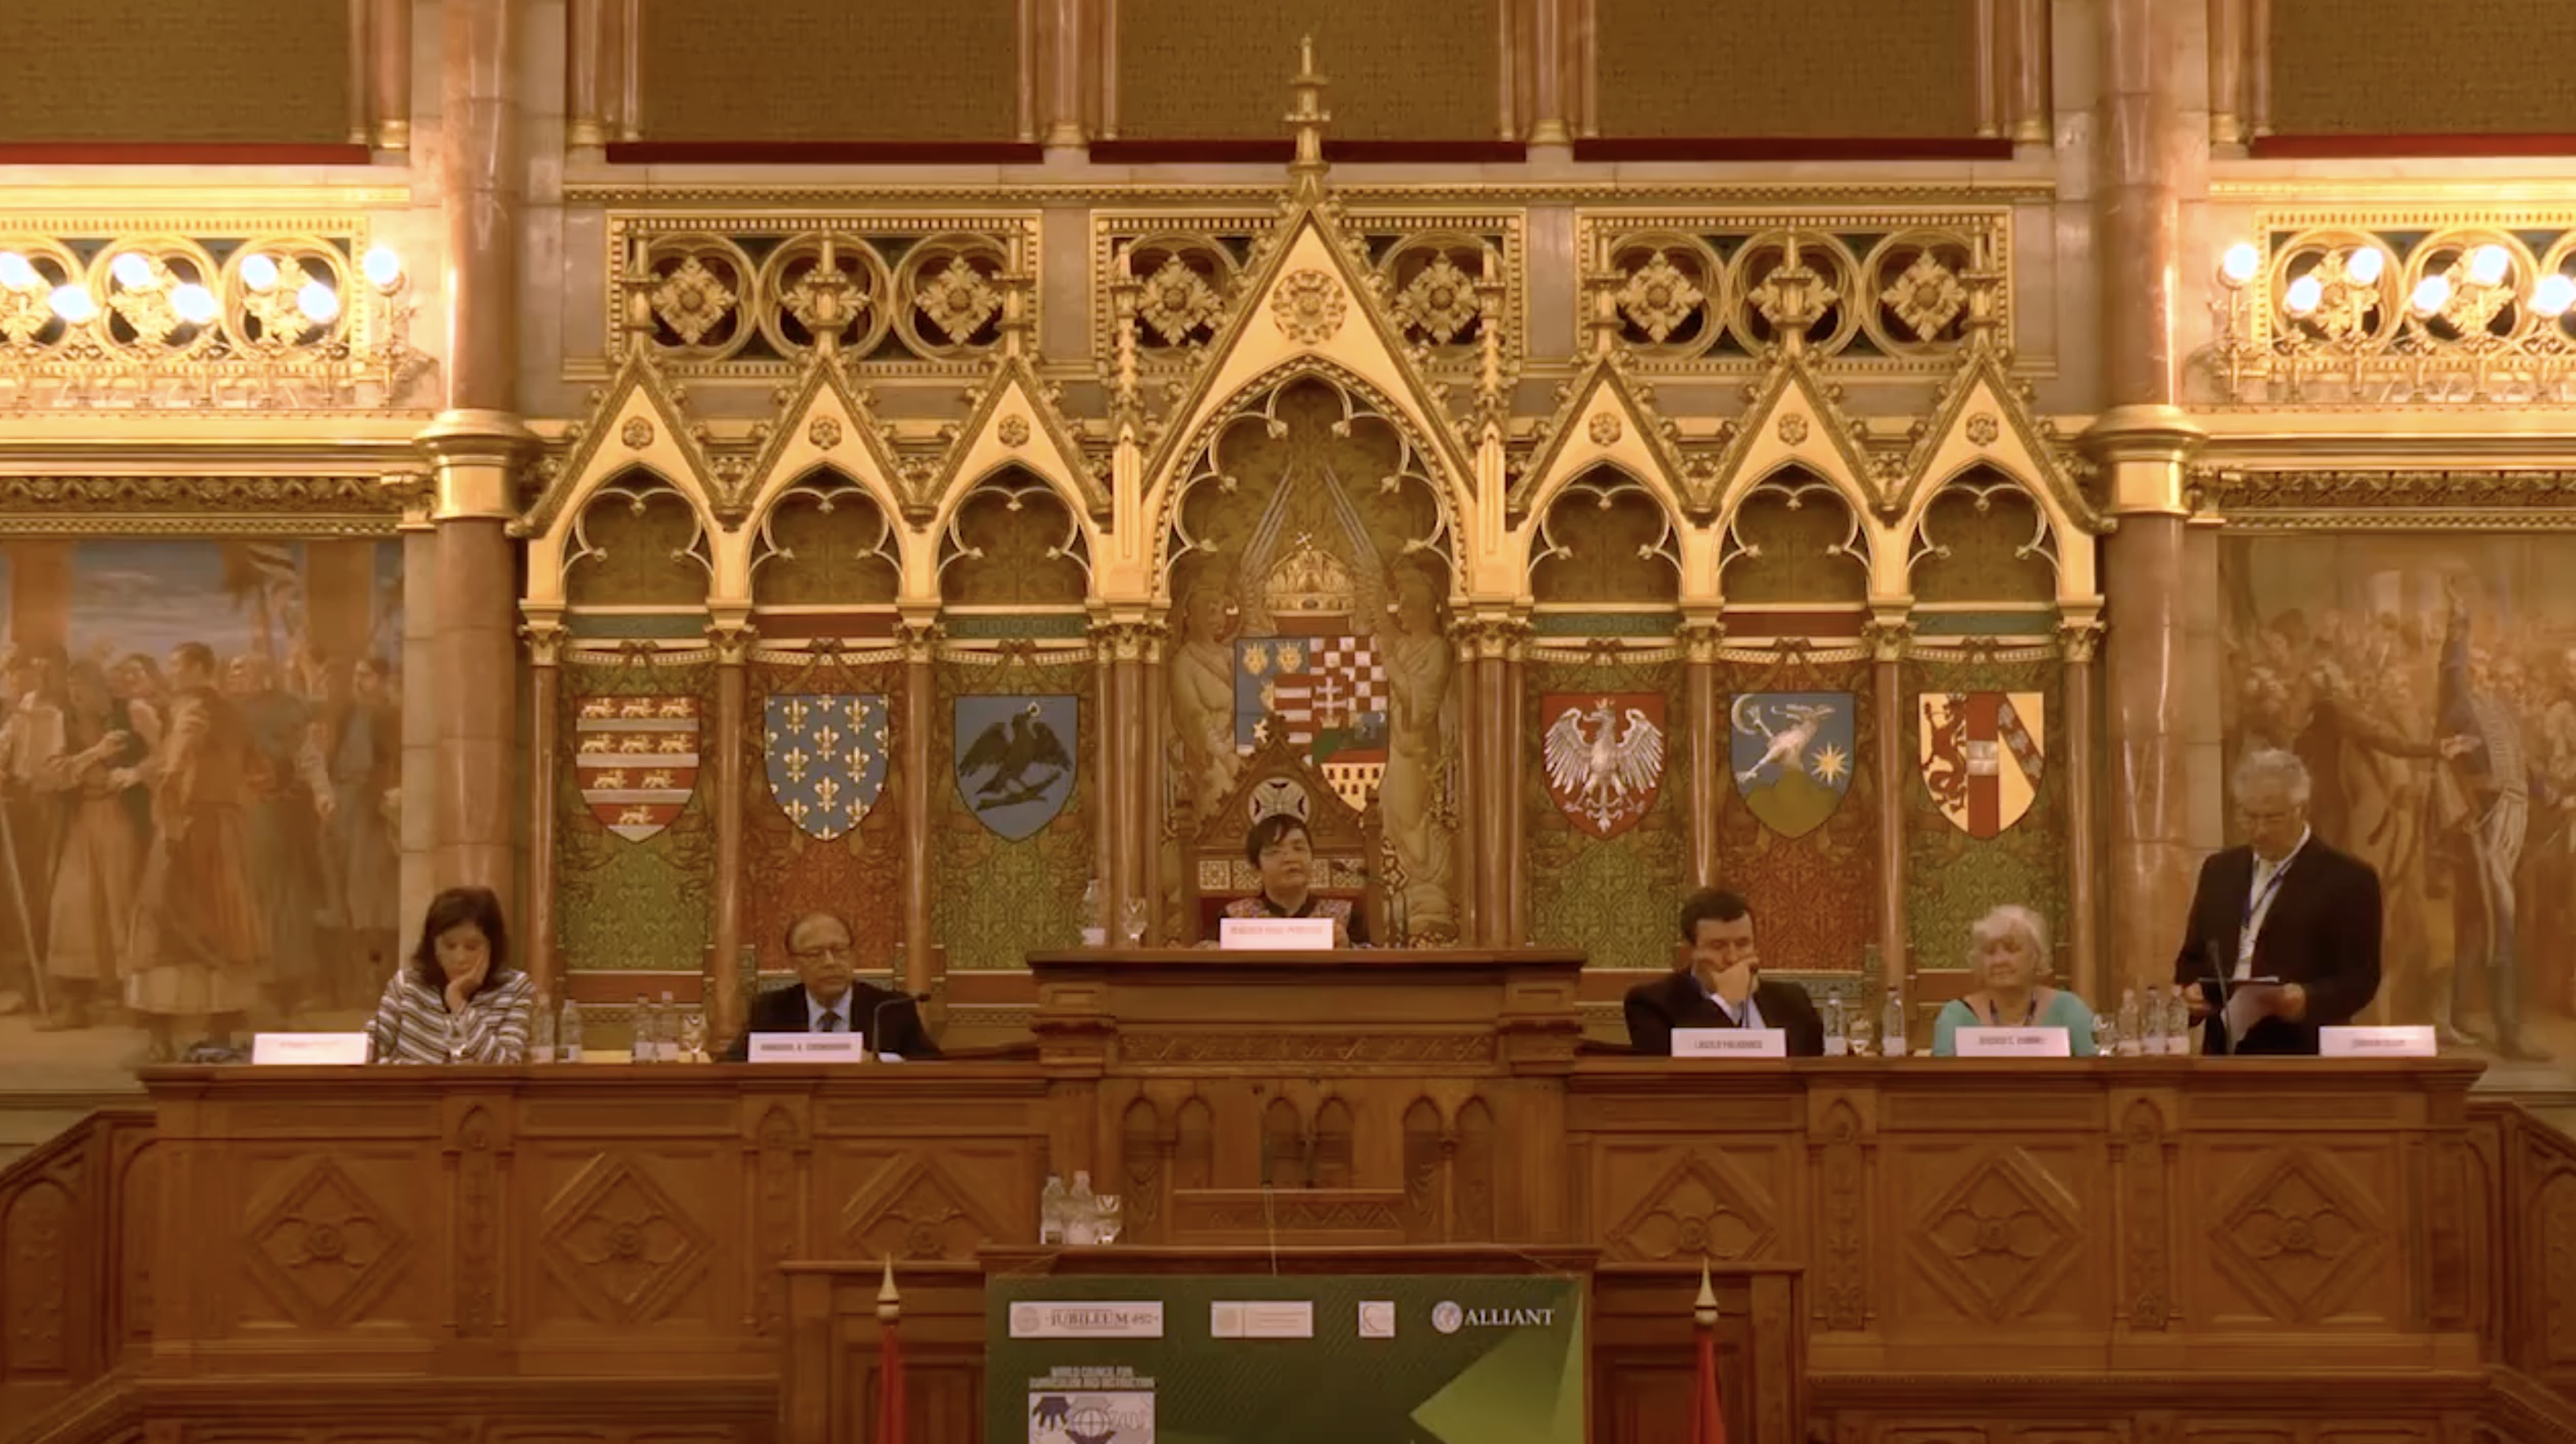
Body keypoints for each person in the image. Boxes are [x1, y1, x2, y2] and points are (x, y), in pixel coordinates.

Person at [2171, 748, 2384, 1056]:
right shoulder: (2219, 871)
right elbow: (2191, 959)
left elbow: (2360, 980)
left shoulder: (2349, 878)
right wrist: (2190, 997)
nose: (2259, 830)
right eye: (2249, 816)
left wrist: (2305, 999)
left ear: (2302, 809)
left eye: (2273, 819)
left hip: (2301, 1057)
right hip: (2222, 1056)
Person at [1624, 887, 1824, 1056]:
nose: (1732, 957)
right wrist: (1724, 1002)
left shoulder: (1792, 1000)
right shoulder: (1651, 1003)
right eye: (1718, 946)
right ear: (1690, 951)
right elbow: (1669, 1074)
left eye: (1743, 943)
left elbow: (1816, 1076)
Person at [723, 910, 940, 1060]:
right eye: (815, 954)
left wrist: (879, 1062)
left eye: (839, 950)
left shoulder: (891, 1008)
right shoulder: (771, 1009)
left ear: (854, 955)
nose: (830, 962)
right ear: (794, 964)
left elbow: (931, 1067)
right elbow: (731, 1066)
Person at [366, 885, 534, 1065]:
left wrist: (458, 1003)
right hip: (411, 1092)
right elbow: (367, 1053)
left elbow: (506, 1067)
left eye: (472, 947)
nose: (460, 958)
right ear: (434, 947)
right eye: (449, 946)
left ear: (492, 947)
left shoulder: (515, 987)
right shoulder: (407, 984)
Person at [1932, 904, 2098, 1056]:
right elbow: (1938, 1083)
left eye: (2012, 950)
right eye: (1990, 952)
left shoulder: (2068, 1010)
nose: (1999, 961)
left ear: (2036, 956)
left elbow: (2095, 1073)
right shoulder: (1956, 1016)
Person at [1223, 814, 1368, 945]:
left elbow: (1371, 964)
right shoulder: (1233, 918)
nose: (1290, 859)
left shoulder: (1344, 917)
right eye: (1275, 852)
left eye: (1299, 849)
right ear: (1256, 867)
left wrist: (1347, 948)